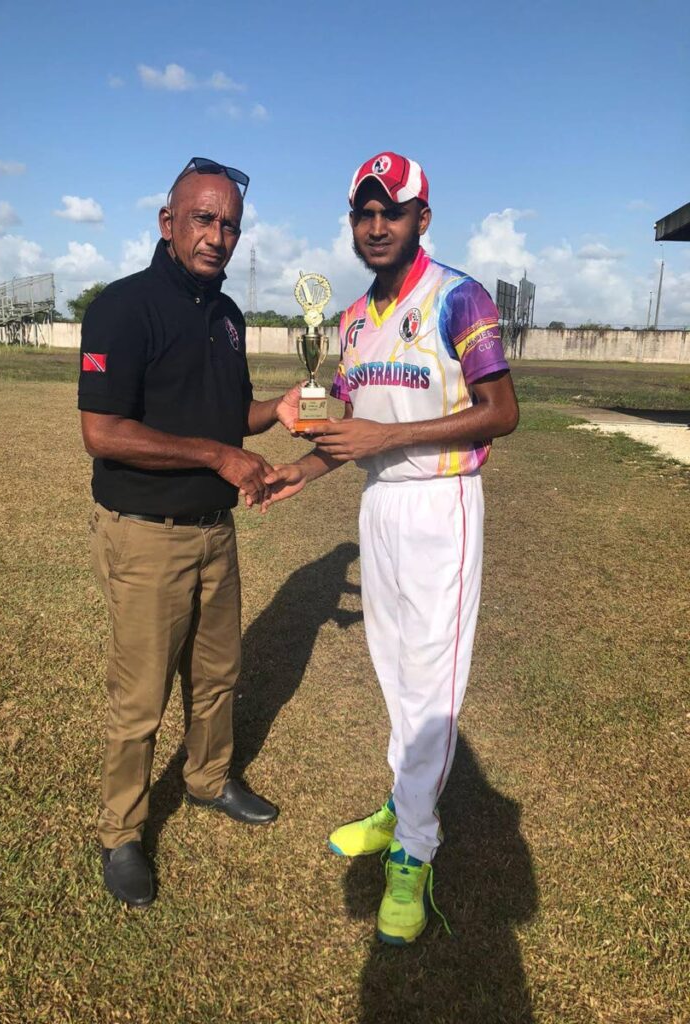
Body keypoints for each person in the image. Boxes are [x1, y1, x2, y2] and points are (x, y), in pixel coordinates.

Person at [263, 152, 519, 945]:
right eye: (364, 213)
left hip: (443, 503)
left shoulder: (457, 295)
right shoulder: (348, 322)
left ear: (421, 220)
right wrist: (302, 471)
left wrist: (389, 435)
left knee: (431, 679)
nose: (376, 225)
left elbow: (502, 410)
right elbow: (348, 427)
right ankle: (404, 802)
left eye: (392, 211)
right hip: (380, 505)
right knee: (393, 671)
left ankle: (415, 848)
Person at [77, 157, 302, 909]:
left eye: (230, 223)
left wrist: (280, 410)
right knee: (139, 697)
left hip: (215, 532)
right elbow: (103, 432)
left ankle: (208, 780)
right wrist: (217, 456)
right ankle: (122, 833)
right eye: (203, 218)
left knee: (218, 677)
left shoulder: (229, 317)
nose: (218, 235)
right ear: (168, 222)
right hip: (146, 534)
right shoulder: (122, 309)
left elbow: (226, 414)